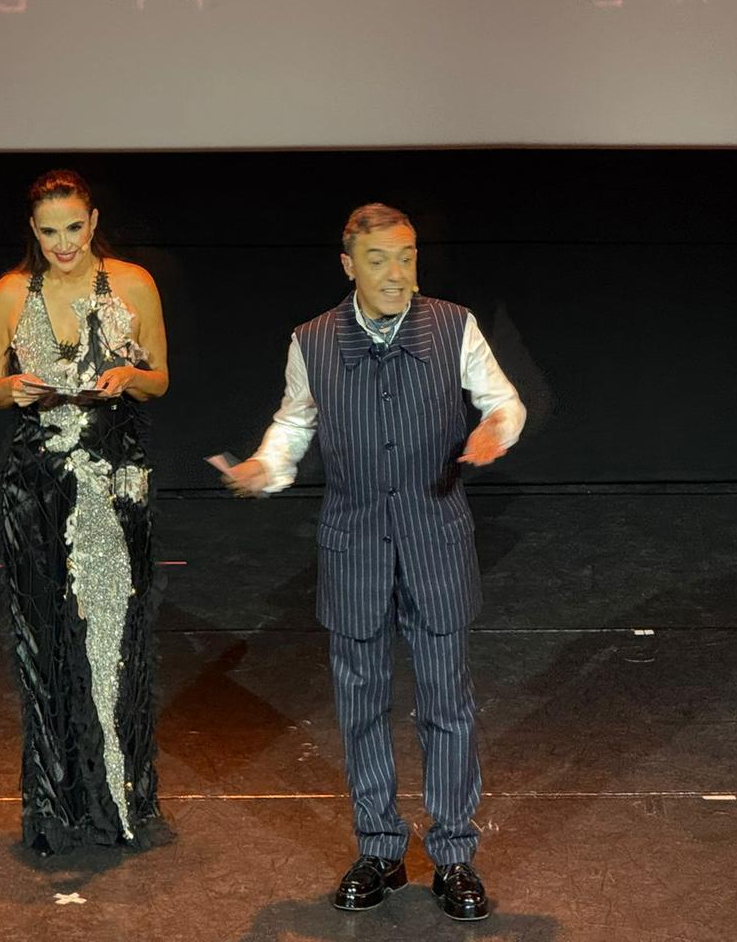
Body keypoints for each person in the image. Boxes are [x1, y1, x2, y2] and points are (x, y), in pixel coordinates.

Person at [224, 203, 525, 918]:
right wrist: (267, 467)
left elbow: (503, 401)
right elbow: (294, 420)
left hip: (434, 543)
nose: (397, 273)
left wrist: (494, 431)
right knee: (360, 704)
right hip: (354, 545)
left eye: (408, 256)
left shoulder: (453, 325)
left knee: (447, 704)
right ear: (349, 265)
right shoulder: (313, 340)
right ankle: (380, 849)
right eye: (381, 260)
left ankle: (454, 856)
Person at [0, 168, 169, 853]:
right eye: (49, 230)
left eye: (74, 227)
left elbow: (159, 378)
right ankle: (56, 807)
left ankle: (121, 801)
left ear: (92, 222)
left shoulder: (134, 284)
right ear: (34, 231)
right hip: (34, 474)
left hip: (113, 467)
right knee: (43, 630)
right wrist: (14, 388)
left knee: (115, 634)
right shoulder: (10, 292)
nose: (63, 242)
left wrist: (129, 377)